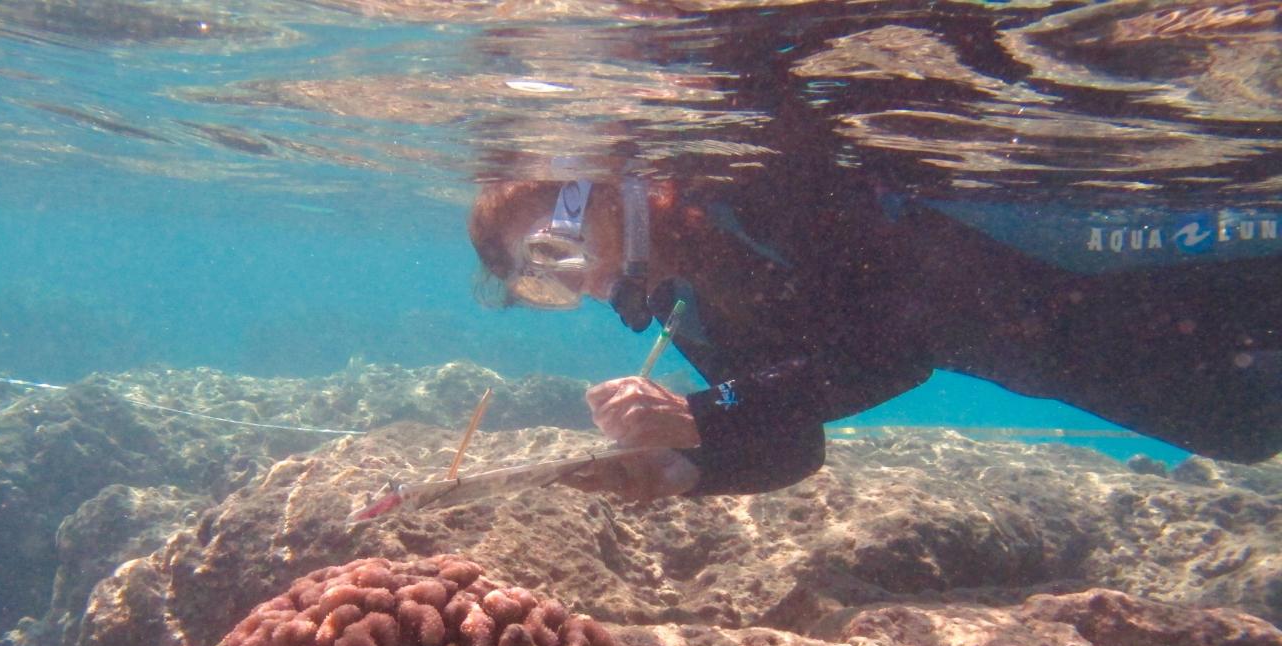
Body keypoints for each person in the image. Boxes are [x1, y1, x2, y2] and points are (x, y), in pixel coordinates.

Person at [468, 167, 1282, 501]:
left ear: (604, 195)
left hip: (1141, 298)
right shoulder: (680, 295)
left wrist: (708, 415)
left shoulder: (758, 196)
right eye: (541, 285)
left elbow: (898, 343)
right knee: (1241, 429)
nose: (572, 285)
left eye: (553, 253)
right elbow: (798, 439)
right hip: (1105, 365)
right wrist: (680, 469)